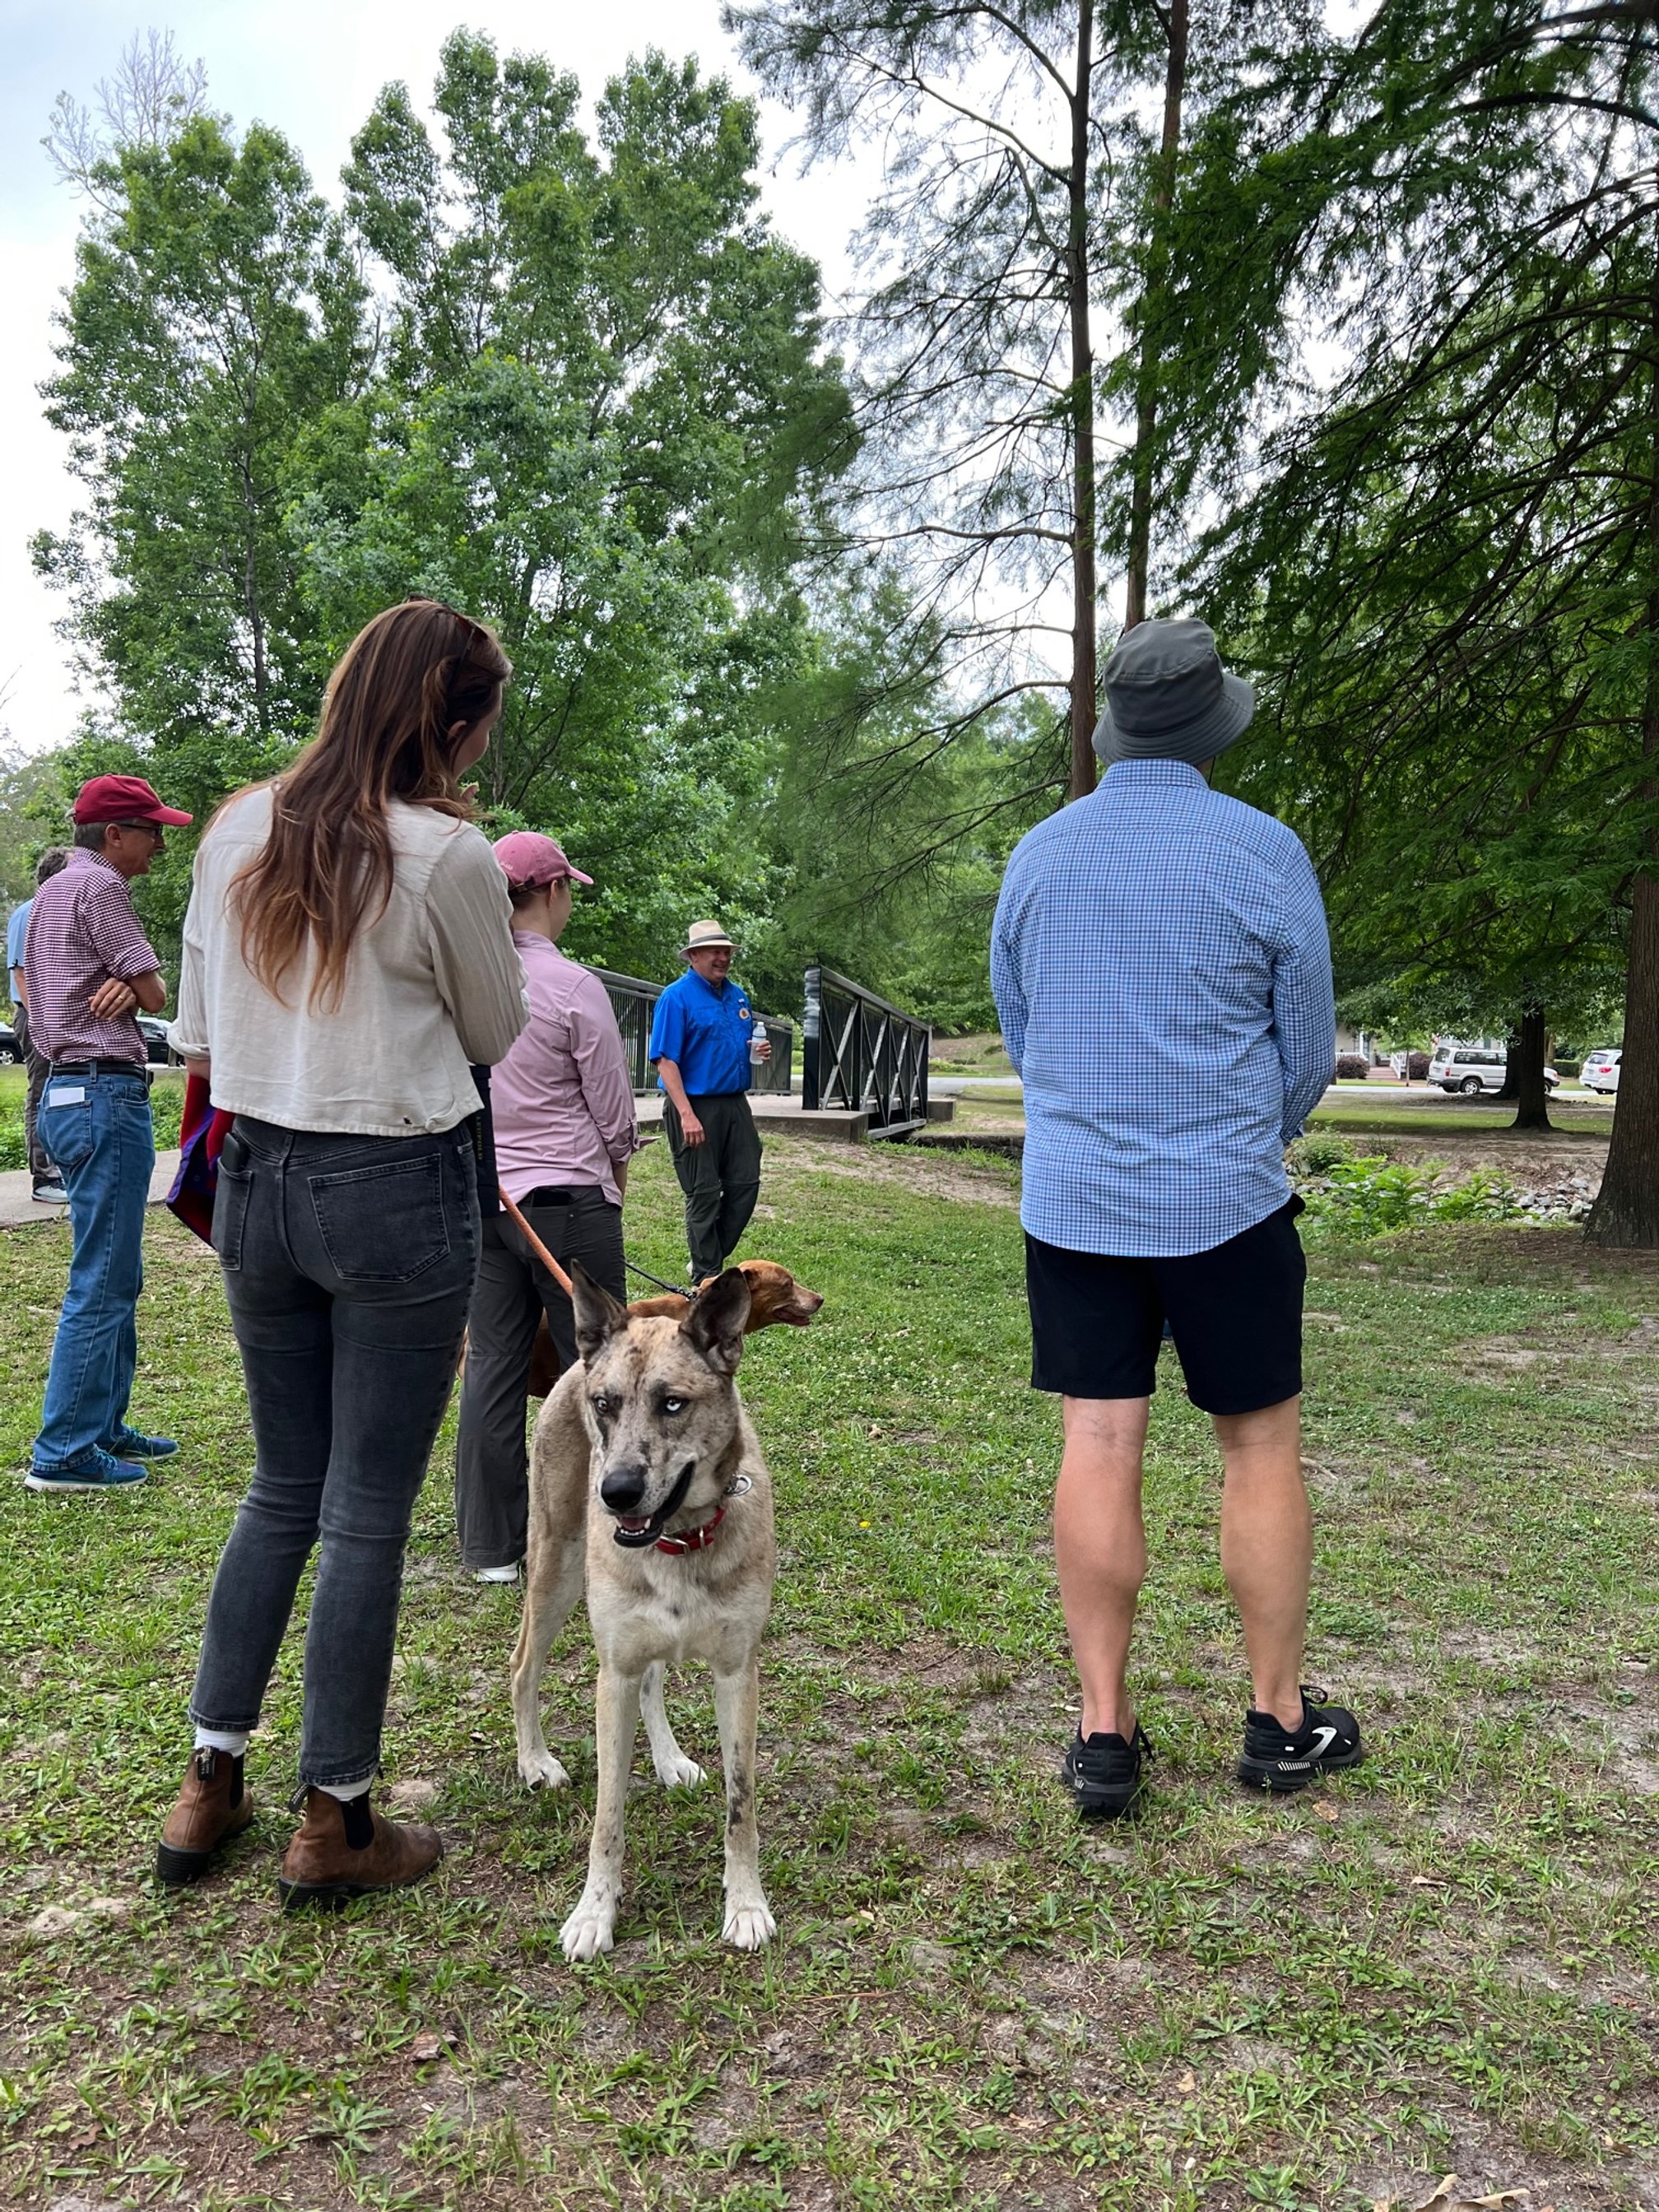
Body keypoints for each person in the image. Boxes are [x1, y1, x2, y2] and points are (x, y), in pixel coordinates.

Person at [156, 598, 529, 1907]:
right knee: (365, 1506)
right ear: (447, 719)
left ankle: (209, 1782)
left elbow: (199, 1025)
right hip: (396, 1178)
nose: (484, 749)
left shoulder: (235, 829)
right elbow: (495, 1024)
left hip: (258, 1172)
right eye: (482, 726)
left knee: (279, 1486)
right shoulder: (444, 856)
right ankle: (338, 1817)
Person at [991, 617, 1362, 1819]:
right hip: (1230, 1203)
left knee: (1099, 1443)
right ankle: (1278, 1719)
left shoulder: (1041, 855)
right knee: (1259, 1450)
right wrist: (1248, 1127)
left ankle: (1105, 1735)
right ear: (1210, 726)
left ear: (1117, 728)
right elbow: (1307, 1051)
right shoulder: (1264, 851)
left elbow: (1022, 1025)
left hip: (1079, 1203)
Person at [454, 830, 639, 1583]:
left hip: (489, 1199)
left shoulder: (466, 981)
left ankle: (492, 1547)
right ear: (554, 892)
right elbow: (614, 1110)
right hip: (571, 1202)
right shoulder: (572, 986)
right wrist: (616, 1176)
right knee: (604, 1371)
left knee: (492, 1367)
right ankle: (615, 1528)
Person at [25, 782, 190, 1492]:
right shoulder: (101, 888)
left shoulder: (52, 892)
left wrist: (125, 983)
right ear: (114, 835)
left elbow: (48, 991)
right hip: (103, 1093)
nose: (161, 842)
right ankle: (63, 1452)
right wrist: (134, 985)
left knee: (113, 1271)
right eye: (150, 830)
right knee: (102, 1280)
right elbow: (156, 995)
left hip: (65, 1092)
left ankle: (104, 1424)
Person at [648, 918, 770, 1282]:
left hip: (734, 1102)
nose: (723, 958)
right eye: (715, 951)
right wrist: (686, 1114)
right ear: (695, 955)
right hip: (694, 1105)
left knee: (745, 1184)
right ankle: (706, 1277)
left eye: (727, 952)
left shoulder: (737, 996)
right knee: (703, 1192)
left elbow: (736, 1042)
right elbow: (665, 1059)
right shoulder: (676, 997)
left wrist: (757, 1049)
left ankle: (708, 1255)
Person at [7, 845, 71, 1203]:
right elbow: (21, 975)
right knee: (41, 1092)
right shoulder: (27, 913)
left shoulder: (60, 911)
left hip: (57, 1017)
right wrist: (43, 1021)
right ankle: (43, 1177)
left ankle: (62, 1170)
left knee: (60, 1094)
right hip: (35, 1017)